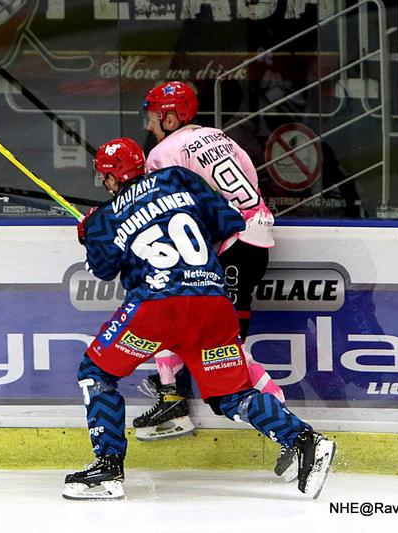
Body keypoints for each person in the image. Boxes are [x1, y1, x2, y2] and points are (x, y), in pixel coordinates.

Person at [62, 137, 335, 501]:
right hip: (211, 300)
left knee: (96, 372)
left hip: (157, 309)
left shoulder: (105, 219)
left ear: (110, 179)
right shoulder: (177, 177)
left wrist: (88, 234)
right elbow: (229, 222)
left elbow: (103, 269)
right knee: (231, 395)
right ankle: (305, 442)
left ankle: (108, 470)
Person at [137, 80, 298, 480]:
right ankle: (172, 396)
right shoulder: (222, 138)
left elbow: (165, 212)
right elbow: (249, 191)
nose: (151, 124)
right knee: (174, 311)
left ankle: (289, 427)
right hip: (253, 242)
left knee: (221, 344)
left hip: (231, 248)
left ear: (171, 117)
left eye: (155, 116)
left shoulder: (162, 153)